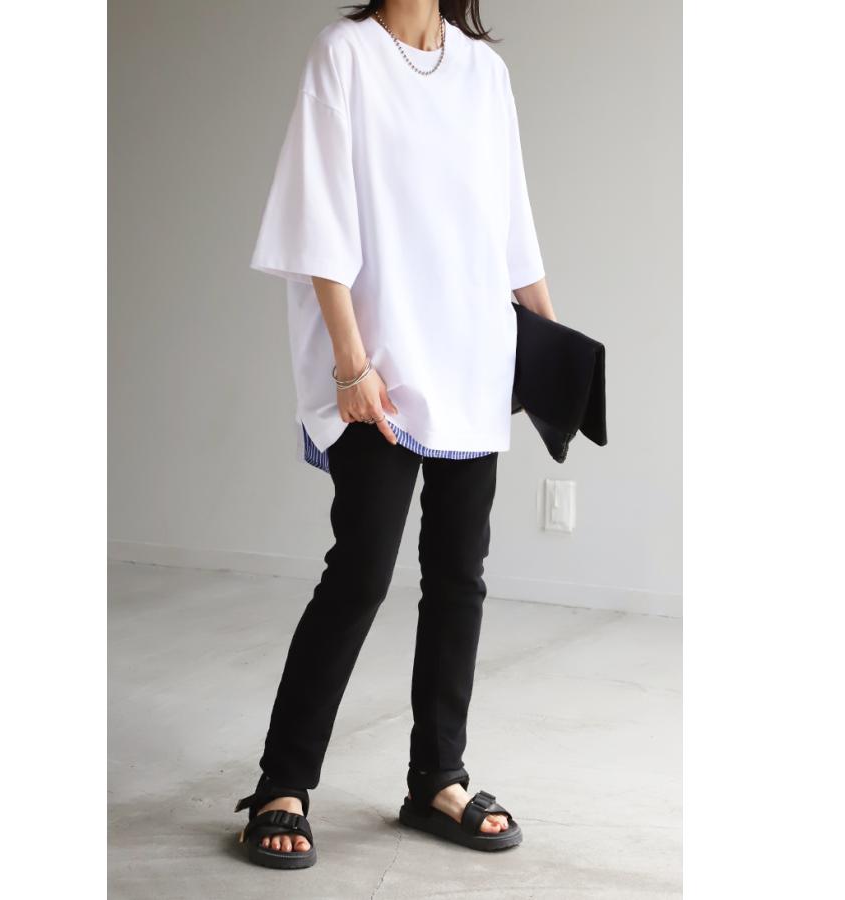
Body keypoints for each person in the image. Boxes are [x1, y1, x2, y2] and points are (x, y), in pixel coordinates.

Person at [236, 0, 558, 869]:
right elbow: (317, 218)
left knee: (460, 575)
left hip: (474, 361)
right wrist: (350, 364)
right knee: (361, 572)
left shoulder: (484, 73)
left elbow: (513, 224)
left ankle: (437, 780)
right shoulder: (344, 55)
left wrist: (550, 346)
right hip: (377, 368)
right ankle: (282, 783)